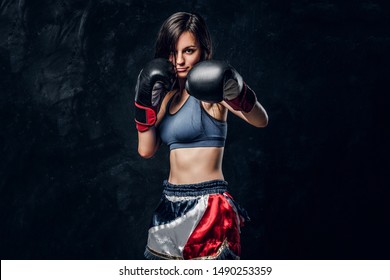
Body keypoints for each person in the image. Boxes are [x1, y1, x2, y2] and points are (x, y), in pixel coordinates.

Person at [134, 12, 268, 260]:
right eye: (173, 53)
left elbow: (261, 120)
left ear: (203, 51)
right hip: (169, 202)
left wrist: (239, 92)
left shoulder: (212, 91)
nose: (180, 61)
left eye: (189, 50)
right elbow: (146, 150)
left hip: (208, 205)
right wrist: (143, 105)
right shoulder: (167, 96)